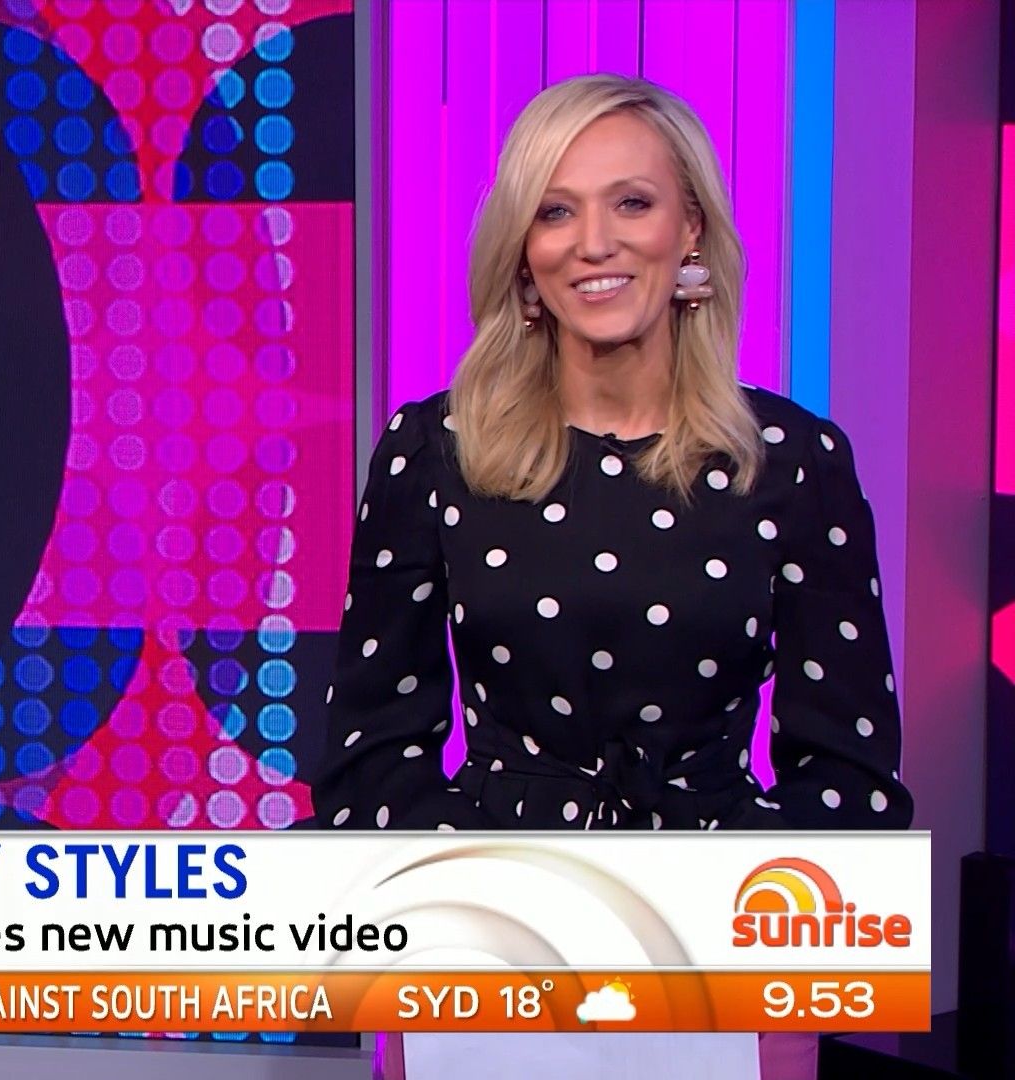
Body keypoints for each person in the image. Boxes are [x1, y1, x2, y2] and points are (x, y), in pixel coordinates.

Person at [315, 74, 913, 1078]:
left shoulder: (792, 461)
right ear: (524, 252)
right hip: (481, 944)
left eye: (631, 202)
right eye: (555, 211)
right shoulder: (433, 452)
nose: (593, 242)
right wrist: (468, 910)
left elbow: (851, 774)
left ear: (690, 230)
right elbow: (369, 752)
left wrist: (743, 916)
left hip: (725, 953)